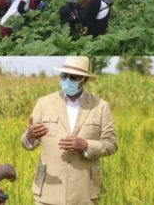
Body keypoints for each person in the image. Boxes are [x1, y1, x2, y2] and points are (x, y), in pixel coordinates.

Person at [21, 56, 117, 205]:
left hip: (84, 194)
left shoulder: (100, 106)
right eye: (64, 76)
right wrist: (29, 135)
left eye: (74, 77)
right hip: (48, 191)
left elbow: (111, 144)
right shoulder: (44, 103)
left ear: (84, 80)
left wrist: (86, 145)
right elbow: (28, 144)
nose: (67, 80)